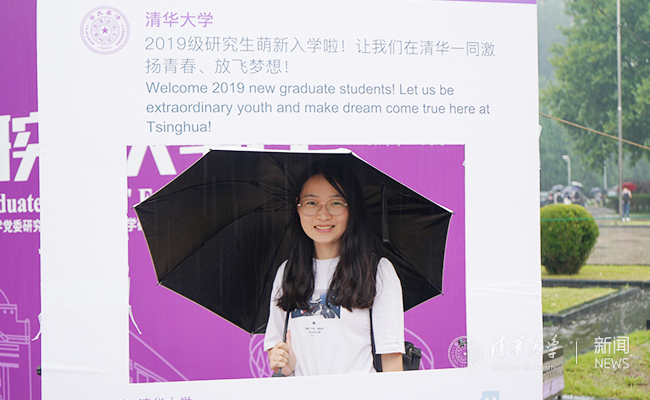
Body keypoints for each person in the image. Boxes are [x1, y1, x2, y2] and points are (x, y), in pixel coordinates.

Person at [264, 162, 405, 376]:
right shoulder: (287, 272)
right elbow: (277, 353)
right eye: (311, 203)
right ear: (298, 207)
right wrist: (284, 363)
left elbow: (392, 365)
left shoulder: (378, 271)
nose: (323, 215)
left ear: (352, 208)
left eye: (336, 203)